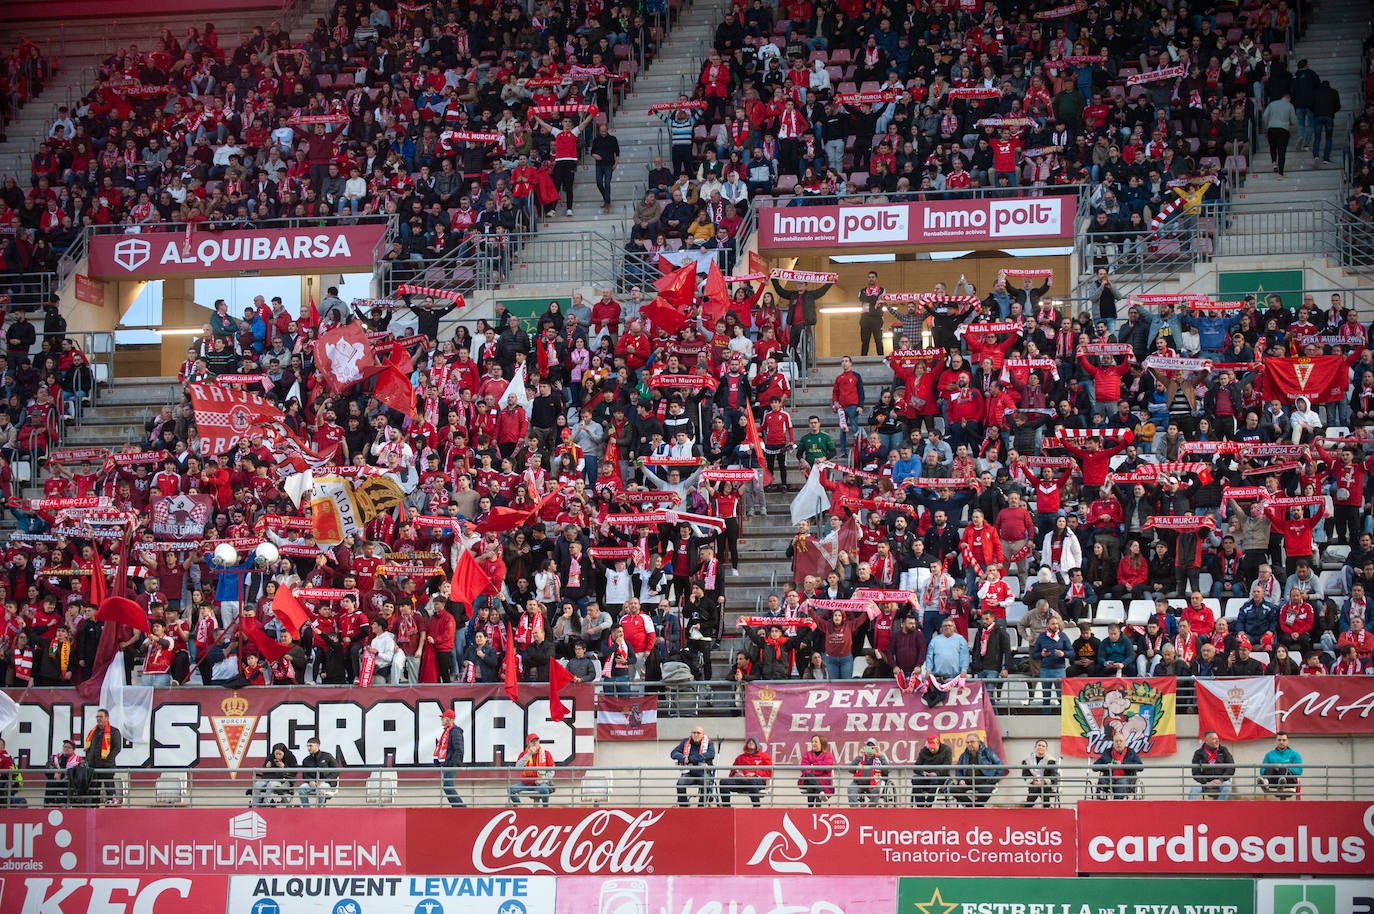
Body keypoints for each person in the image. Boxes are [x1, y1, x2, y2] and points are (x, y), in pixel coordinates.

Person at [951, 733, 1006, 807]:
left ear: (978, 742)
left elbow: (1000, 766)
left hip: (984, 781)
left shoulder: (988, 752)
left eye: (972, 742)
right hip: (968, 782)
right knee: (953, 789)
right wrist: (960, 780)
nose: (970, 744)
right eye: (967, 742)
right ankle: (970, 806)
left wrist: (993, 780)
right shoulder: (963, 755)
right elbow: (958, 769)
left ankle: (977, 806)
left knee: (986, 791)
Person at [83, 708, 121, 806]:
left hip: (107, 765)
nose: (98, 718)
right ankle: (94, 808)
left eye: (101, 716)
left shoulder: (114, 731)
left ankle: (111, 809)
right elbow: (89, 748)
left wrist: (108, 760)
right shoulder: (93, 732)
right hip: (93, 766)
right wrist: (88, 760)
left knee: (109, 788)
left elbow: (117, 748)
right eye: (97, 716)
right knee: (94, 789)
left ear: (107, 718)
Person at [671, 726, 717, 806]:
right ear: (691, 734)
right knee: (680, 784)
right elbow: (674, 753)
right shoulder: (685, 741)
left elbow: (710, 754)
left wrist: (691, 759)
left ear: (703, 735)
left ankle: (701, 807)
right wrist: (683, 758)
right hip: (689, 773)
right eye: (694, 732)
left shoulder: (709, 742)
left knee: (706, 782)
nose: (696, 734)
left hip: (704, 773)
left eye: (698, 733)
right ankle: (684, 806)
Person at [719, 737, 772, 806]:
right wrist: (737, 774)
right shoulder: (740, 757)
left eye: (753, 742)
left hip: (757, 781)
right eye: (749, 742)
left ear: (757, 745)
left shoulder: (764, 757)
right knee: (723, 782)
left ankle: (757, 807)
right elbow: (733, 769)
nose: (750, 743)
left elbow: (768, 772)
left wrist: (755, 774)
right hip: (740, 781)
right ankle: (726, 808)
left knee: (751, 781)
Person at [508, 733, 556, 805]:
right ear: (528, 744)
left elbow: (552, 771)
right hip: (525, 783)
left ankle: (545, 808)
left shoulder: (546, 753)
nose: (535, 743)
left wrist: (543, 780)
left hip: (540, 783)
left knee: (544, 789)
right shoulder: (523, 754)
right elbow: (517, 767)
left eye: (536, 741)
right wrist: (528, 754)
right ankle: (519, 806)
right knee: (511, 789)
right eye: (532, 741)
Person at [1188, 730, 1236, 800]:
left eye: (1217, 738)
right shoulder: (1198, 753)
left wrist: (1221, 779)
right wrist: (1206, 782)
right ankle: (1189, 809)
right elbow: (1195, 772)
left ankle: (1218, 808)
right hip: (1205, 783)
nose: (1217, 741)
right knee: (1194, 788)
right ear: (1206, 741)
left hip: (1221, 782)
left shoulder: (1224, 750)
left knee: (1227, 786)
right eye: (1214, 739)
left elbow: (1231, 768)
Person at [1093, 732, 1143, 798]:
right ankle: (1098, 802)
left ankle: (1115, 804)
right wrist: (1107, 766)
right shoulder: (1107, 752)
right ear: (1113, 743)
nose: (1118, 743)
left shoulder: (1131, 753)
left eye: (1120, 741)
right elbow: (1094, 767)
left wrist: (1123, 765)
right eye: (1116, 741)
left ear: (1124, 743)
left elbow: (1140, 767)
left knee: (1121, 783)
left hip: (1126, 778)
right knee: (1102, 780)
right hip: (1110, 777)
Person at [434, 709, 465, 807]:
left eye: (443, 718)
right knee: (447, 786)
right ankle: (457, 808)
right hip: (447, 764)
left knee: (448, 786)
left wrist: (453, 763)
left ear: (448, 719)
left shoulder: (454, 731)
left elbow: (458, 749)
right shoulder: (448, 731)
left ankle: (461, 808)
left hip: (450, 764)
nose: (441, 720)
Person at [911, 734, 953, 807]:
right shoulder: (923, 751)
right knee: (915, 779)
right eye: (930, 748)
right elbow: (916, 767)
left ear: (938, 744)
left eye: (934, 747)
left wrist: (936, 773)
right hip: (925, 777)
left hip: (940, 777)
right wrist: (922, 772)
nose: (932, 749)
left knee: (934, 780)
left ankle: (929, 803)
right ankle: (920, 805)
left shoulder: (947, 750)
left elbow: (947, 766)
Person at [847, 737, 891, 806]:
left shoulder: (881, 756)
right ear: (865, 747)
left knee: (877, 789)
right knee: (851, 789)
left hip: (875, 784)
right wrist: (858, 757)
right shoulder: (860, 756)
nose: (870, 748)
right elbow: (850, 770)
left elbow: (888, 770)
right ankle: (855, 811)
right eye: (868, 746)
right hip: (859, 783)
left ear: (876, 747)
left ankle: (870, 809)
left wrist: (880, 755)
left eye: (872, 747)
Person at [251, 742, 297, 807]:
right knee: (257, 784)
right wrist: (266, 767)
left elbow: (294, 772)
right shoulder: (270, 756)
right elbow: (264, 771)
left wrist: (284, 767)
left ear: (284, 753)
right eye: (276, 754)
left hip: (283, 780)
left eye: (280, 754)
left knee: (271, 784)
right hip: (268, 777)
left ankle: (266, 803)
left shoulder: (290, 757)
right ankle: (255, 805)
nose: (278, 756)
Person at [1258, 731, 1303, 798]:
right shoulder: (1269, 755)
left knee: (1282, 767)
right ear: (1276, 741)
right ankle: (1266, 783)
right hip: (1273, 782)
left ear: (1287, 741)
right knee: (1270, 767)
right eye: (1279, 740)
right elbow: (1262, 770)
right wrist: (1275, 767)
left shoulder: (1295, 754)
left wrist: (1283, 767)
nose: (1281, 742)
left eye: (1284, 740)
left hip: (1288, 782)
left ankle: (1281, 782)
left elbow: (1299, 771)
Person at [297, 737, 339, 807]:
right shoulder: (306, 760)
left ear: (317, 746)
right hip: (312, 784)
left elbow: (336, 770)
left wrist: (325, 780)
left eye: (310, 746)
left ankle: (319, 809)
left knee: (321, 787)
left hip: (326, 784)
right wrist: (310, 781)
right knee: (301, 788)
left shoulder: (327, 756)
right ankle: (306, 809)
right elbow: (305, 775)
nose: (308, 748)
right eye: (307, 746)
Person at [1021, 738, 1059, 808]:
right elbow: (1025, 774)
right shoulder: (1027, 760)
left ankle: (1028, 807)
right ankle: (1047, 807)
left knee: (1041, 789)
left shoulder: (1051, 760)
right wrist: (1033, 781)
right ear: (1035, 747)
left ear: (1046, 749)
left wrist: (1044, 781)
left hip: (1046, 785)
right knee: (1036, 788)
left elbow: (1054, 775)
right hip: (1033, 784)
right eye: (1039, 745)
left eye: (1043, 746)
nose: (1041, 747)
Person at [799, 734, 835, 806]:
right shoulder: (807, 754)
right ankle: (821, 792)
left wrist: (812, 766)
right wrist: (819, 768)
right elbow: (804, 768)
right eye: (812, 742)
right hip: (808, 778)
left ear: (821, 743)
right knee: (810, 776)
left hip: (823, 780)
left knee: (813, 782)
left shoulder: (828, 755)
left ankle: (811, 808)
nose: (813, 744)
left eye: (815, 742)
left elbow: (827, 767)